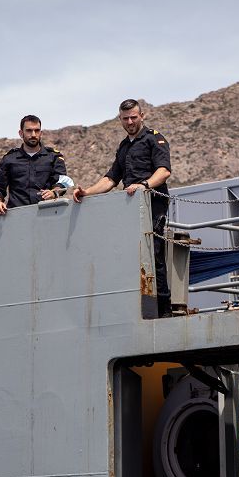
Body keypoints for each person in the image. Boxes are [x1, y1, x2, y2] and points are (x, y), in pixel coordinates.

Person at [73, 99, 172, 316]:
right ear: (120, 119)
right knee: (129, 256)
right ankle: (134, 308)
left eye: (133, 117)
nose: (130, 122)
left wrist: (144, 185)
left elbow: (164, 171)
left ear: (142, 116)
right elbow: (111, 179)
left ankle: (163, 310)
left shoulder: (154, 138)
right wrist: (87, 192)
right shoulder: (124, 146)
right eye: (125, 118)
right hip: (129, 209)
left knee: (153, 254)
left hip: (152, 204)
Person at [0, 115, 73, 214]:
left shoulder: (53, 157)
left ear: (41, 133)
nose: (33, 134)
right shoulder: (9, 159)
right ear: (21, 133)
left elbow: (62, 182)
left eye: (37, 130)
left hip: (47, 213)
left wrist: (54, 193)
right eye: (29, 131)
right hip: (17, 215)